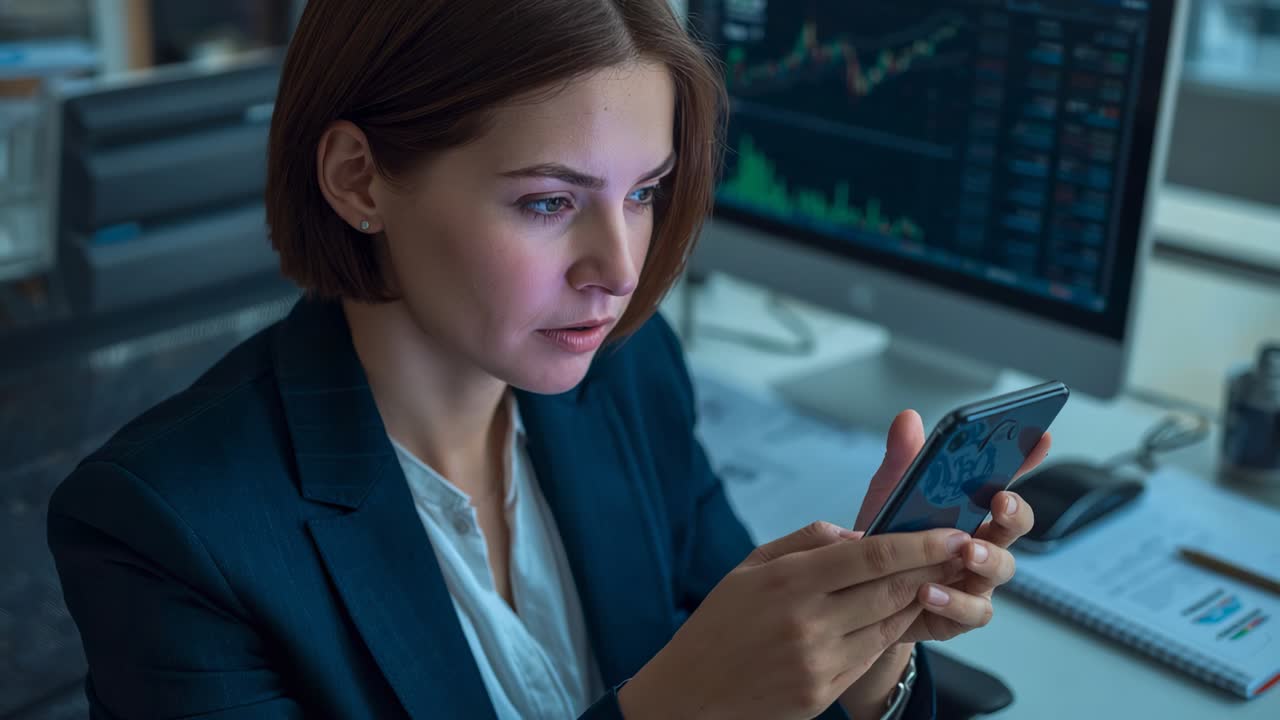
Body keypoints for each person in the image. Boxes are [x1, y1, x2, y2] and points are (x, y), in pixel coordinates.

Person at [46, 1, 1049, 718]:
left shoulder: (628, 372)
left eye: (644, 192)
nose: (619, 270)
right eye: (546, 202)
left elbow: (758, 682)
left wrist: (866, 653)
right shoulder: (165, 531)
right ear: (359, 180)